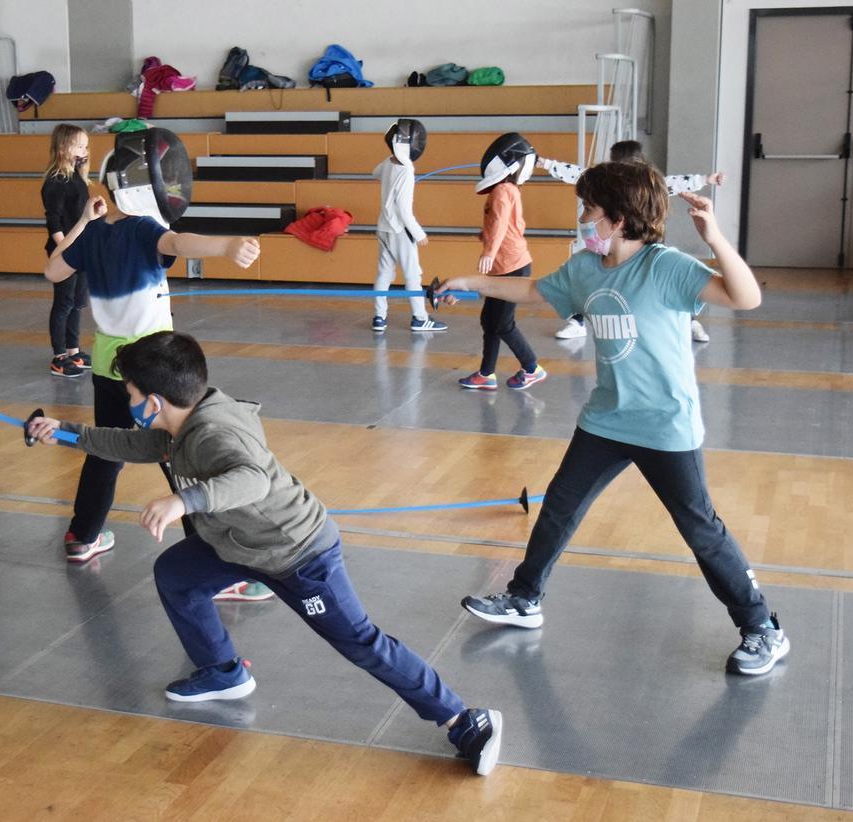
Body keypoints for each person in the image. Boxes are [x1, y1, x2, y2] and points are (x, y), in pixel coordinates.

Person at [28, 331, 503, 775]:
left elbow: (250, 478)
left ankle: (463, 720)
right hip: (239, 544)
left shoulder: (215, 433)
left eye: (130, 396)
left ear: (154, 401)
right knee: (177, 574)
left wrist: (183, 500)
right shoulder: (181, 421)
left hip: (299, 554)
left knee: (360, 640)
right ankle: (221, 671)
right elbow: (131, 442)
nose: (128, 404)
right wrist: (63, 432)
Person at [435, 161, 789, 677]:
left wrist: (714, 238)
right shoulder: (584, 268)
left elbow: (746, 297)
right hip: (606, 418)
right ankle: (524, 598)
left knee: (700, 530)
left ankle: (763, 628)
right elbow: (534, 291)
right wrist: (470, 281)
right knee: (559, 505)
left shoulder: (665, 267)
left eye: (589, 210)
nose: (582, 218)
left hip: (665, 425)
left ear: (618, 220)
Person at [44, 127, 260, 562]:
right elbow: (180, 241)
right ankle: (213, 557)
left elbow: (52, 271)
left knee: (106, 448)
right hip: (156, 369)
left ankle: (83, 536)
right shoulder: (143, 230)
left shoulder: (92, 235)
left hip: (110, 368)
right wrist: (229, 245)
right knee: (179, 456)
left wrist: (84, 221)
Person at [539, 140, 726, 342]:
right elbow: (576, 173)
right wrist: (547, 164)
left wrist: (706, 179)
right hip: (615, 245)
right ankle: (578, 321)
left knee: (661, 288)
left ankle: (689, 321)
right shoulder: (608, 185)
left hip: (642, 246)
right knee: (588, 280)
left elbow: (677, 182)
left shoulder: (648, 184)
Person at [458, 133, 547, 391]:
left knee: (502, 323)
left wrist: (488, 251)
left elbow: (499, 225)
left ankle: (532, 368)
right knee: (490, 321)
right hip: (505, 266)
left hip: (511, 266)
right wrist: (486, 240)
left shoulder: (502, 191)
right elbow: (502, 226)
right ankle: (486, 373)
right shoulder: (507, 189)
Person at [370, 118, 446, 333]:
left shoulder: (388, 163)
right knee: (413, 274)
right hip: (399, 230)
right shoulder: (406, 170)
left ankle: (379, 317)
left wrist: (395, 178)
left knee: (384, 274)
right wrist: (419, 233)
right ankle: (420, 318)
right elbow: (404, 210)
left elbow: (374, 173)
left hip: (383, 227)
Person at [42, 124, 93, 378]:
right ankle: (59, 355)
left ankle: (73, 350)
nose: (84, 150)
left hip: (81, 250)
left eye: (86, 145)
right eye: (79, 145)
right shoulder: (55, 180)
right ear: (63, 147)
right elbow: (55, 221)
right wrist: (64, 249)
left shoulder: (77, 178)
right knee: (63, 303)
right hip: (66, 251)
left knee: (76, 303)